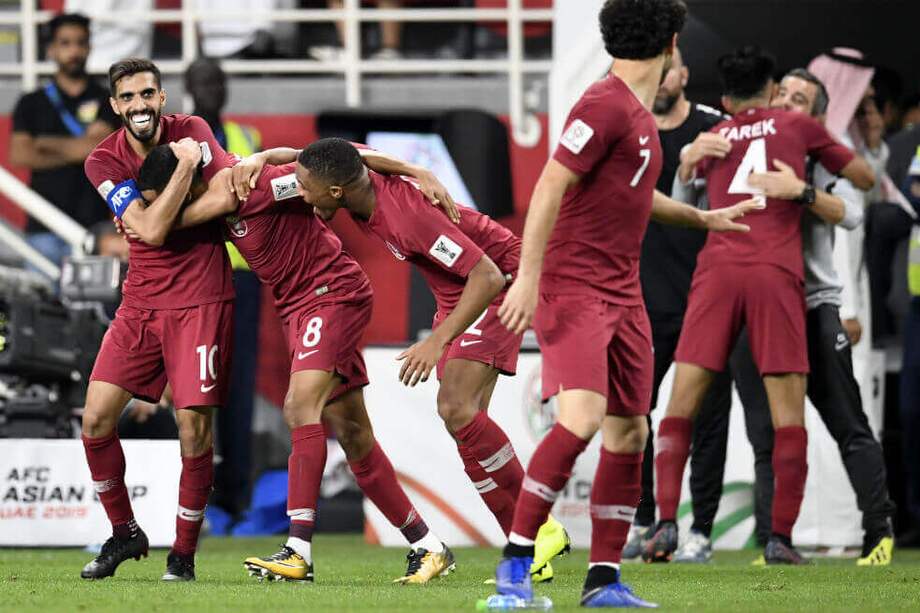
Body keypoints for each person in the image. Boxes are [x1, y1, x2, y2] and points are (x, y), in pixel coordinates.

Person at [490, 1, 763, 607]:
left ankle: (603, 580)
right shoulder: (602, 104)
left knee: (629, 433)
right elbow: (551, 185)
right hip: (576, 285)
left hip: (623, 292)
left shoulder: (634, 113)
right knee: (582, 420)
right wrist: (529, 279)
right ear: (671, 45)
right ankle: (513, 567)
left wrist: (701, 217)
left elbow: (635, 194)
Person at [135, 145, 454, 585]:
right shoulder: (215, 205)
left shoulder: (259, 186)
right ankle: (428, 545)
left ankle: (298, 549)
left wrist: (414, 169)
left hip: (331, 294)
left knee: (299, 407)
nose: (164, 208)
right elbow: (163, 229)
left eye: (165, 199)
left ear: (185, 186)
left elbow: (334, 158)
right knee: (354, 434)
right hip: (298, 310)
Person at [287, 137, 571, 583]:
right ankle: (525, 554)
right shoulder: (353, 175)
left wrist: (437, 341)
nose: (300, 194)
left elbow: (487, 276)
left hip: (498, 281)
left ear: (337, 190)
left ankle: (541, 527)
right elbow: (350, 153)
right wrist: (416, 170)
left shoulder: (406, 217)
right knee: (465, 429)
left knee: (456, 408)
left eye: (306, 187)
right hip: (456, 290)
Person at [647, 46, 874, 566]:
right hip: (775, 273)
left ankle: (665, 525)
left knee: (680, 406)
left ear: (727, 101)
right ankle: (780, 539)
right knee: (787, 416)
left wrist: (688, 161)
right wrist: (804, 185)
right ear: (772, 92)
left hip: (717, 272)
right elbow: (862, 179)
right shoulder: (800, 127)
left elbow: (685, 205)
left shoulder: (717, 134)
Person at [80, 58, 238, 582]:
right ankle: (125, 532)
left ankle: (183, 556)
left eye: (147, 94)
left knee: (194, 429)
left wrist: (156, 221)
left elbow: (227, 195)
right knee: (95, 419)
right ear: (115, 105)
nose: (139, 105)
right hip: (141, 301)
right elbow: (148, 231)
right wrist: (185, 174)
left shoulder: (193, 129)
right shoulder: (103, 160)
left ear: (162, 97)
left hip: (202, 298)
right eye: (128, 97)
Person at [625, 44, 734, 563]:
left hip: (708, 297)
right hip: (644, 300)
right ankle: (643, 520)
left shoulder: (717, 129)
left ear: (685, 75)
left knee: (710, 419)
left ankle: (701, 531)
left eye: (671, 70)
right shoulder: (628, 132)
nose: (663, 79)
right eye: (657, 71)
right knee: (634, 413)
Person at [185, 56, 263, 522]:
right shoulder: (179, 141)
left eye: (218, 81)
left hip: (243, 276)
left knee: (240, 382)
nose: (213, 89)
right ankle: (200, 493)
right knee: (198, 380)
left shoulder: (246, 137)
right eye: (204, 82)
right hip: (196, 272)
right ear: (189, 88)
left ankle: (236, 494)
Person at [9, 13, 117, 268]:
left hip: (94, 228)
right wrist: (82, 147)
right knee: (40, 295)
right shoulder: (31, 102)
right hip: (43, 228)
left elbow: (100, 149)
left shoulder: (109, 100)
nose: (74, 51)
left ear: (90, 47)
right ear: (51, 50)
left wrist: (45, 144)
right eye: (65, 43)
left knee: (96, 297)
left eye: (80, 43)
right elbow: (20, 154)